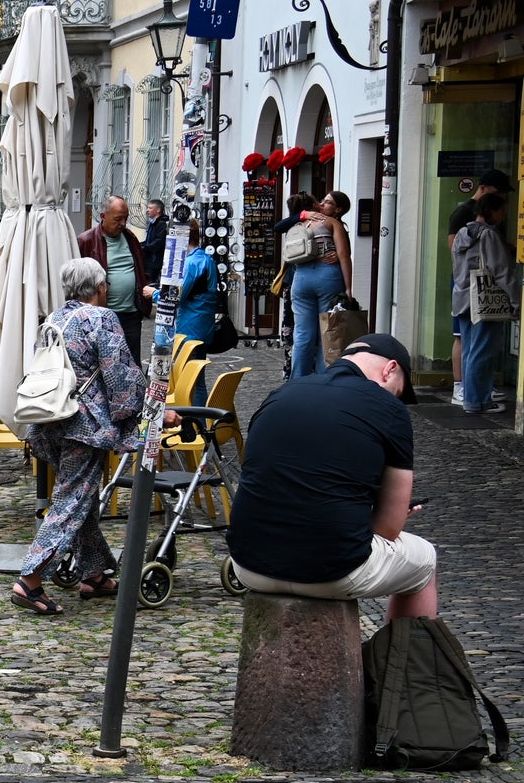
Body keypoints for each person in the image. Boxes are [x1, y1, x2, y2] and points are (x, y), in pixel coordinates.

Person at [228, 333, 435, 619]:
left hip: (248, 563)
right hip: (333, 571)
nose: (395, 398)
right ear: (390, 369)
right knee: (425, 560)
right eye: (398, 390)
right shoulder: (390, 409)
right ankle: (400, 663)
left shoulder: (282, 393)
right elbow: (388, 529)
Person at [9, 257, 149, 617]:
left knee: (79, 499)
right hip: (84, 426)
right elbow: (119, 378)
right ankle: (30, 579)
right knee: (71, 501)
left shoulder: (53, 320)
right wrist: (137, 413)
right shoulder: (102, 319)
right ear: (101, 288)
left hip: (50, 420)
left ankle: (95, 575)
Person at [450, 192, 513, 414]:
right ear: (491, 211)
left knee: (470, 350)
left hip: (462, 297)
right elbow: (502, 271)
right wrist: (515, 301)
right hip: (484, 299)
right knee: (482, 351)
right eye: (501, 212)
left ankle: (472, 397)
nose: (503, 216)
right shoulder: (488, 235)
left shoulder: (462, 233)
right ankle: (477, 401)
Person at [76, 196, 153, 367]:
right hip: (101, 315)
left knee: (132, 363)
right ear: (103, 216)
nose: (123, 223)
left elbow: (141, 269)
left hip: (131, 314)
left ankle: (134, 393)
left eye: (125, 218)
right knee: (105, 363)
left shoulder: (130, 237)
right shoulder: (86, 241)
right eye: (118, 219)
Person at [287, 190, 352, 377]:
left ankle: (297, 382)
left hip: (301, 278)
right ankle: (325, 380)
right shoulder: (332, 223)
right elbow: (344, 255)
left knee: (302, 334)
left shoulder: (301, 223)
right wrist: (348, 288)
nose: (322, 204)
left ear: (338, 209)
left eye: (328, 202)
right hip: (327, 278)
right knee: (327, 332)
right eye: (322, 200)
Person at [174, 220, 225, 393]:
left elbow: (177, 296)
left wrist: (154, 294)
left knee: (191, 382)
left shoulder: (191, 263)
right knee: (198, 381)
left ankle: (196, 420)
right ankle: (199, 419)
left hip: (190, 328)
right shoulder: (207, 258)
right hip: (203, 326)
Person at [141, 198, 169, 285]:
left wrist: (145, 248)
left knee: (149, 283)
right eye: (148, 208)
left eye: (150, 208)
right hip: (150, 259)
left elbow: (159, 242)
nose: (147, 210)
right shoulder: (153, 223)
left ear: (158, 210)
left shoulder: (162, 223)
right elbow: (150, 240)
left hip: (155, 261)